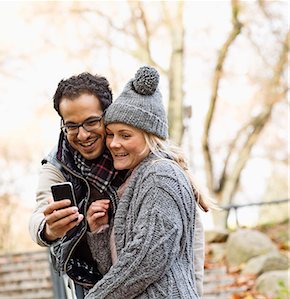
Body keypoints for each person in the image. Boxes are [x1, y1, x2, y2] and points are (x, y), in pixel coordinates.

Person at [29, 71, 207, 298]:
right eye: (72, 126)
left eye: (91, 122)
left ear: (108, 115)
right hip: (93, 281)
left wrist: (195, 289)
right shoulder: (58, 164)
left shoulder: (154, 169)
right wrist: (51, 228)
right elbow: (37, 216)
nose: (82, 135)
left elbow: (169, 249)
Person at [84, 66, 209, 298]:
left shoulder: (160, 177)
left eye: (125, 135)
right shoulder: (134, 181)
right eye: (111, 134)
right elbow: (118, 270)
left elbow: (148, 261)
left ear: (150, 137)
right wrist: (99, 231)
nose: (113, 143)